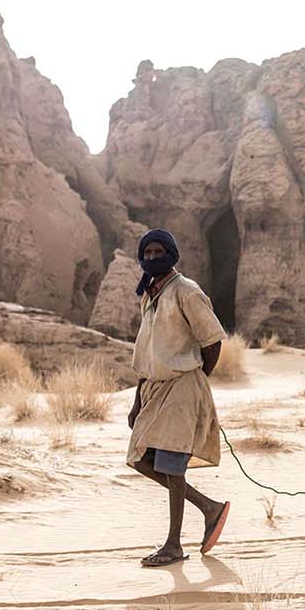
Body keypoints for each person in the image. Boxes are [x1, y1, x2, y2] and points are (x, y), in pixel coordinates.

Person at [126, 230, 231, 567]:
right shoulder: (149, 294)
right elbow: (148, 352)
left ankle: (173, 545)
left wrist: (196, 380)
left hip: (182, 386)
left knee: (171, 464)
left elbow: (212, 342)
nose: (154, 257)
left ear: (172, 254)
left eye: (160, 251)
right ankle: (209, 508)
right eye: (149, 252)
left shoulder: (186, 291)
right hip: (154, 389)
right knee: (142, 458)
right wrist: (137, 400)